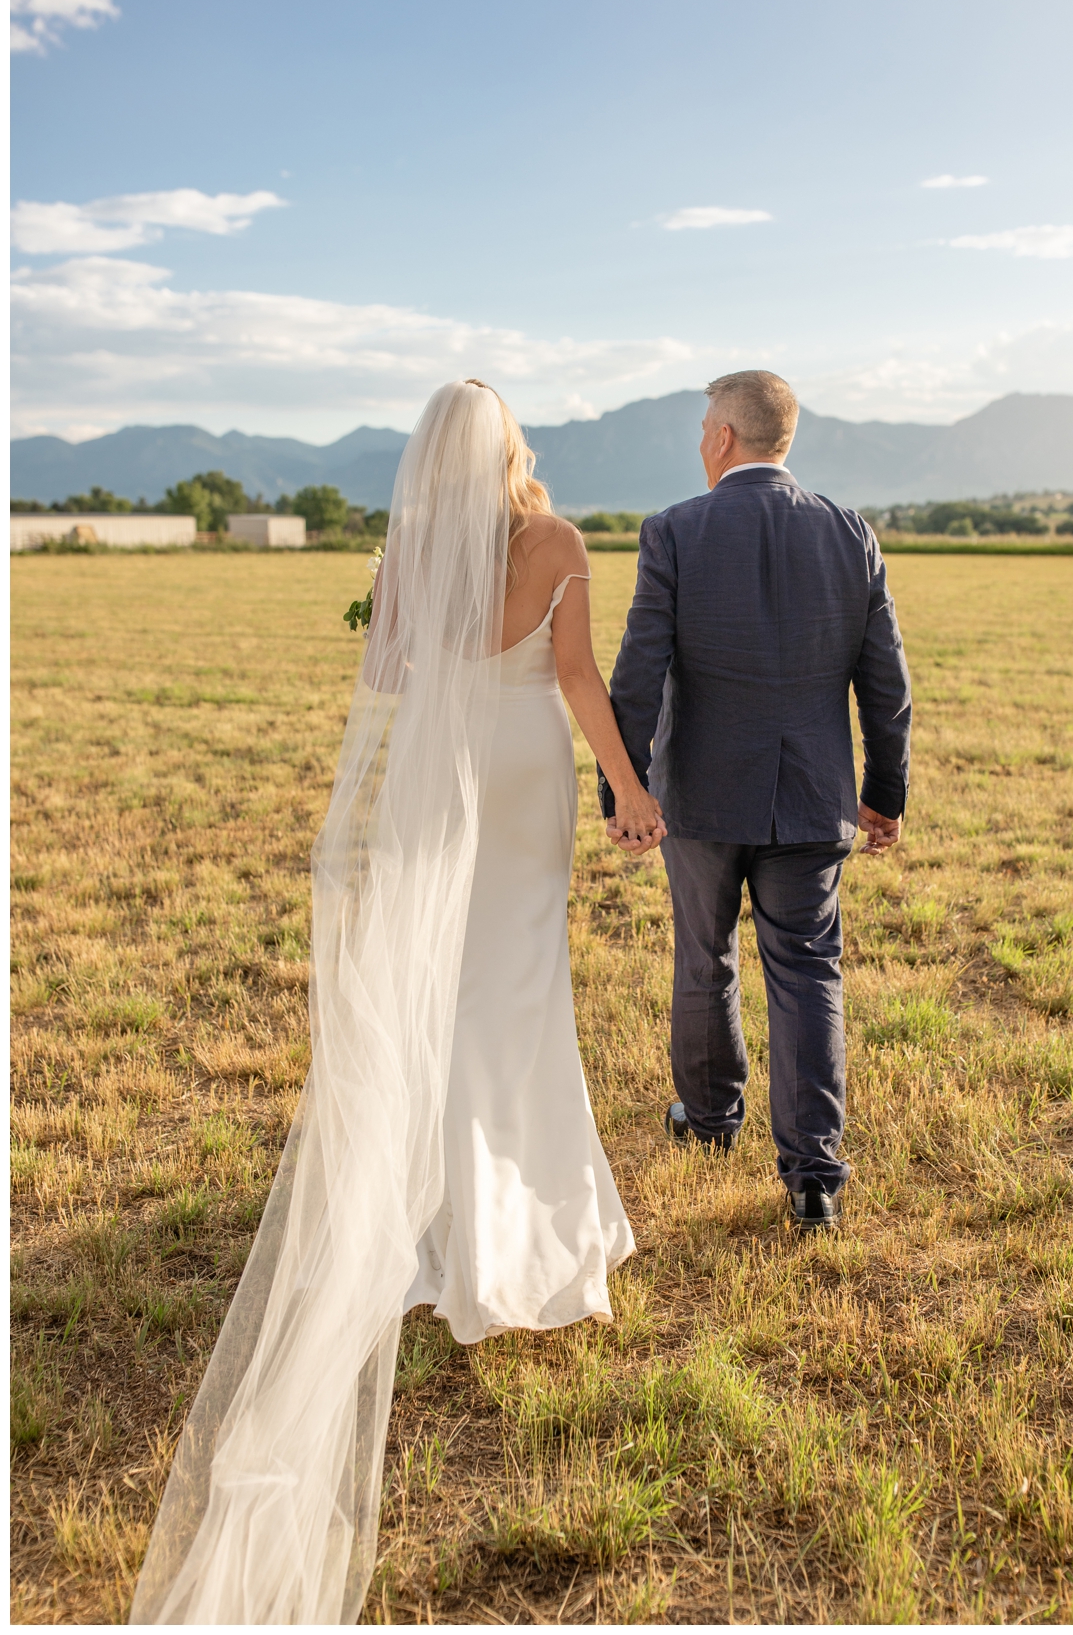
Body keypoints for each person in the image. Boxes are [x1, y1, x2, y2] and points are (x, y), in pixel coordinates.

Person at [132, 380, 658, 1622]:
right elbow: (577, 677)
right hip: (526, 771)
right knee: (520, 992)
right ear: (516, 451)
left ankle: (428, 1225)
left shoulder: (410, 548)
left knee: (438, 990)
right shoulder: (559, 544)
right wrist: (628, 791)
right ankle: (517, 1220)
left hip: (442, 778)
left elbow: (383, 675)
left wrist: (410, 629)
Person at [600, 369, 912, 1233]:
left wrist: (622, 787)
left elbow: (637, 676)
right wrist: (883, 792)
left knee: (705, 958)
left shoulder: (674, 531)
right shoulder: (851, 534)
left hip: (697, 796)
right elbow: (886, 684)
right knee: (809, 971)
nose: (702, 439)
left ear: (726, 438)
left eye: (706, 426)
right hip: (814, 798)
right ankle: (815, 1175)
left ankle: (709, 1122)